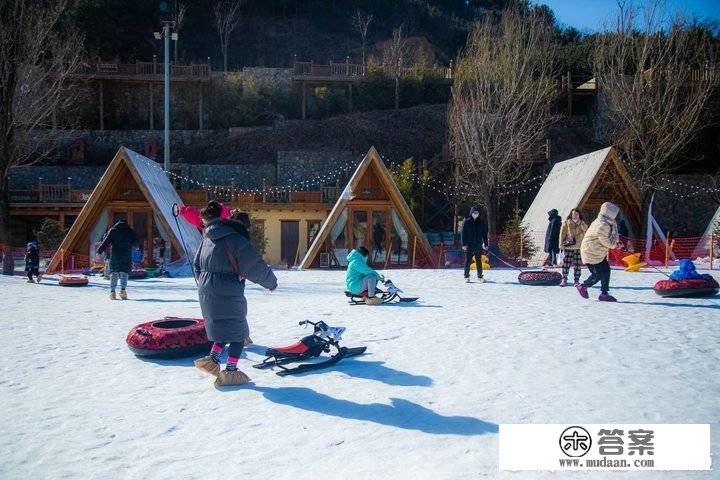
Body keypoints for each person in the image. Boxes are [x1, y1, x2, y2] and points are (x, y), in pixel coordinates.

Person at [193, 201, 277, 386]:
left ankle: (212, 360)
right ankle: (230, 372)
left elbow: (196, 264)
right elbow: (253, 264)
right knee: (238, 332)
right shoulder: (235, 239)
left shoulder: (207, 238)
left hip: (207, 289)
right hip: (228, 289)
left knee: (222, 328)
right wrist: (271, 283)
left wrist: (204, 282)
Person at [577, 202, 622, 302]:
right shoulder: (602, 224)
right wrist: (615, 245)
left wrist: (616, 243)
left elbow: (607, 238)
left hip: (597, 252)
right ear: (610, 213)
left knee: (606, 270)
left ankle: (604, 293)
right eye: (615, 213)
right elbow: (605, 240)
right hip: (591, 252)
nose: (616, 215)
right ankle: (583, 286)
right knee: (598, 274)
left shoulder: (605, 222)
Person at [97, 219, 138, 300]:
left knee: (114, 273)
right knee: (124, 273)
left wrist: (99, 251)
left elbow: (106, 241)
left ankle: (112, 292)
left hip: (115, 255)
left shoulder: (113, 230)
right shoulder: (130, 231)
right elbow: (136, 243)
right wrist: (135, 246)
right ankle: (123, 291)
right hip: (126, 255)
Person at [558, 208, 588, 287]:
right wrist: (561, 245)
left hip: (578, 246)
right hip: (568, 246)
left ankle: (576, 280)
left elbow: (586, 232)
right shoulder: (566, 223)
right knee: (566, 264)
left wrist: (582, 225)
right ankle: (564, 279)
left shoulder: (582, 223)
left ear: (579, 215)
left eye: (576, 214)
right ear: (571, 215)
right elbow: (562, 234)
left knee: (577, 265)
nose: (574, 215)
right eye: (573, 214)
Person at [461, 206, 488, 283]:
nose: (476, 214)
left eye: (477, 213)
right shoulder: (466, 222)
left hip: (478, 245)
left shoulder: (481, 222)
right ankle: (466, 276)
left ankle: (480, 277)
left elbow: (484, 234)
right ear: (471, 213)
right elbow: (463, 234)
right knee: (468, 261)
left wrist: (486, 244)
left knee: (478, 261)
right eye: (474, 213)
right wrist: (464, 244)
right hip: (469, 245)